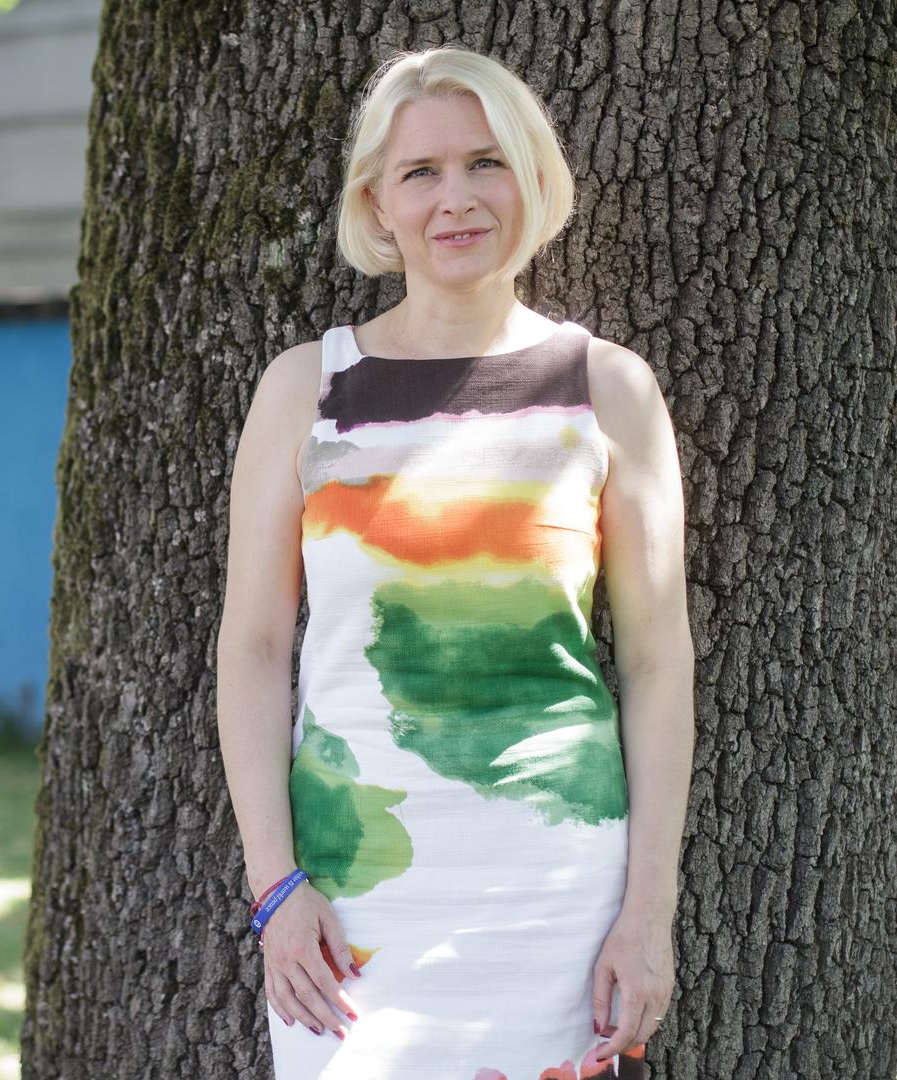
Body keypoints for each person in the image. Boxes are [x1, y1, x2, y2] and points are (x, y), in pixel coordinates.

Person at [215, 44, 695, 1078]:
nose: (456, 198)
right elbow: (250, 650)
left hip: (557, 898)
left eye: (485, 162)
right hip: (346, 898)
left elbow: (657, 664)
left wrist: (646, 913)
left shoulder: (606, 389)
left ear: (531, 176)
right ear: (376, 204)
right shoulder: (305, 389)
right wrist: (273, 887)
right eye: (419, 173)